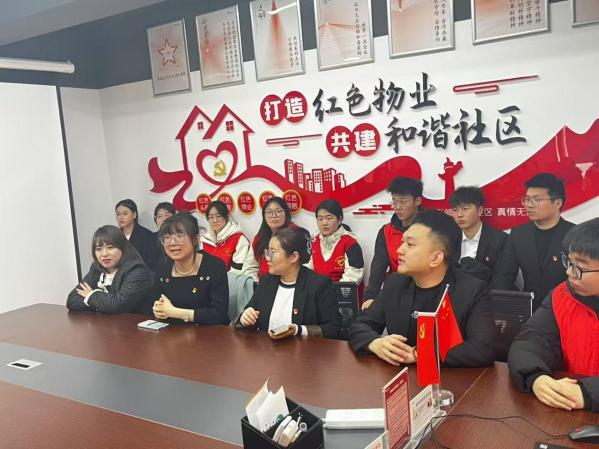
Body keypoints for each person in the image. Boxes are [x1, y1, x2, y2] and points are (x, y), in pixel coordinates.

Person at [349, 209, 495, 367]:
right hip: (400, 376)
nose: (399, 250)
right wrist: (374, 343)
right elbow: (360, 325)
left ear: (436, 258)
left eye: (410, 244)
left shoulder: (473, 290)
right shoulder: (395, 283)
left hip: (451, 379)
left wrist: (419, 353)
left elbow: (482, 349)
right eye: (402, 242)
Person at [508, 218, 599, 412]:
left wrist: (588, 393)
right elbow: (531, 339)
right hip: (569, 413)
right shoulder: (562, 296)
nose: (569, 272)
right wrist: (536, 377)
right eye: (569, 262)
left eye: (580, 267)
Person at [236, 227, 342, 339]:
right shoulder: (267, 280)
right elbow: (250, 313)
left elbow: (333, 329)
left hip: (304, 349)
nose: (267, 257)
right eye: (267, 252)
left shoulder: (319, 285)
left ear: (293, 257)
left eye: (272, 252)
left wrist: (299, 330)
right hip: (266, 347)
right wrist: (245, 318)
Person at [493, 174, 575, 310]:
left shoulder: (575, 235)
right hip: (530, 310)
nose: (529, 205)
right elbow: (505, 275)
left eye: (536, 200)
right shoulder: (518, 234)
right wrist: (502, 310)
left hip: (567, 308)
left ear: (557, 203)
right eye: (527, 199)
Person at [150, 213, 229, 325]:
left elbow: (219, 315)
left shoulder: (214, 266)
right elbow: (155, 303)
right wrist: (158, 310)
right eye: (167, 237)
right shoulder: (163, 267)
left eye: (179, 236)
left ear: (195, 239)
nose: (172, 242)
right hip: (172, 332)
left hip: (209, 332)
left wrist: (175, 312)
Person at [362, 177, 422, 309]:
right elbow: (379, 266)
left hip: (426, 291)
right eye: (394, 202)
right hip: (398, 292)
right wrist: (370, 296)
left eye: (403, 202)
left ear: (417, 201)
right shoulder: (386, 231)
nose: (398, 207)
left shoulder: (431, 229)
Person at [67, 225, 152, 313]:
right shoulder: (96, 268)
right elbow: (72, 300)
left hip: (134, 321)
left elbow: (118, 305)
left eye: (110, 247)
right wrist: (101, 303)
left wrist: (91, 296)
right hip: (105, 321)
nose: (104, 254)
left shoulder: (137, 270)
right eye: (99, 249)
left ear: (122, 248)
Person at [449, 186, 507, 283]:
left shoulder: (499, 240)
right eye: (455, 210)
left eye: (465, 209)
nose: (459, 215)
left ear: (480, 210)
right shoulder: (448, 239)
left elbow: (501, 279)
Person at [306, 199, 364, 288]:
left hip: (341, 292)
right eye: (320, 219)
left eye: (329, 218)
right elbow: (308, 269)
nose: (324, 223)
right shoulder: (314, 241)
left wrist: (331, 292)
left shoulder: (350, 242)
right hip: (317, 291)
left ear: (339, 220)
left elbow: (353, 276)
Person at [243, 197, 294, 281]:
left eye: (278, 211)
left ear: (286, 214)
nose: (274, 216)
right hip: (260, 283)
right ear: (264, 216)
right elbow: (250, 266)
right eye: (269, 212)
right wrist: (255, 284)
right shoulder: (259, 237)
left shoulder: (295, 235)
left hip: (287, 284)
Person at [201, 200, 250, 273]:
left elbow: (237, 272)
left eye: (218, 216)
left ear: (226, 216)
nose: (215, 220)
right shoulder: (204, 240)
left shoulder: (239, 239)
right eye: (211, 217)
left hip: (230, 279)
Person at [115, 199, 160, 271]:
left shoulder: (147, 236)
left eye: (125, 213)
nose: (121, 217)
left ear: (134, 215)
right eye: (118, 214)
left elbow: (151, 264)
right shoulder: (114, 236)